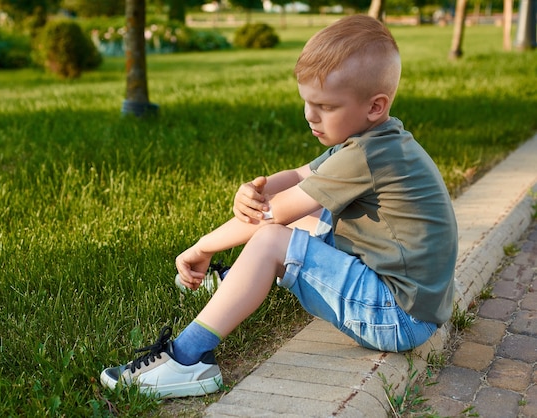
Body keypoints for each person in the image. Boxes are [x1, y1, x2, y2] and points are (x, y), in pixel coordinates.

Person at [100, 14, 458, 399]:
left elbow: (272, 217)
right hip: (414, 303)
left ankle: (188, 361)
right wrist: (254, 189)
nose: (309, 115)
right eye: (306, 101)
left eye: (324, 105)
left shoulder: (369, 155)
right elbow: (298, 176)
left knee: (272, 239)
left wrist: (202, 246)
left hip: (399, 317)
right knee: (310, 213)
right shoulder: (376, 139)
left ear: (375, 106)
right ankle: (234, 286)